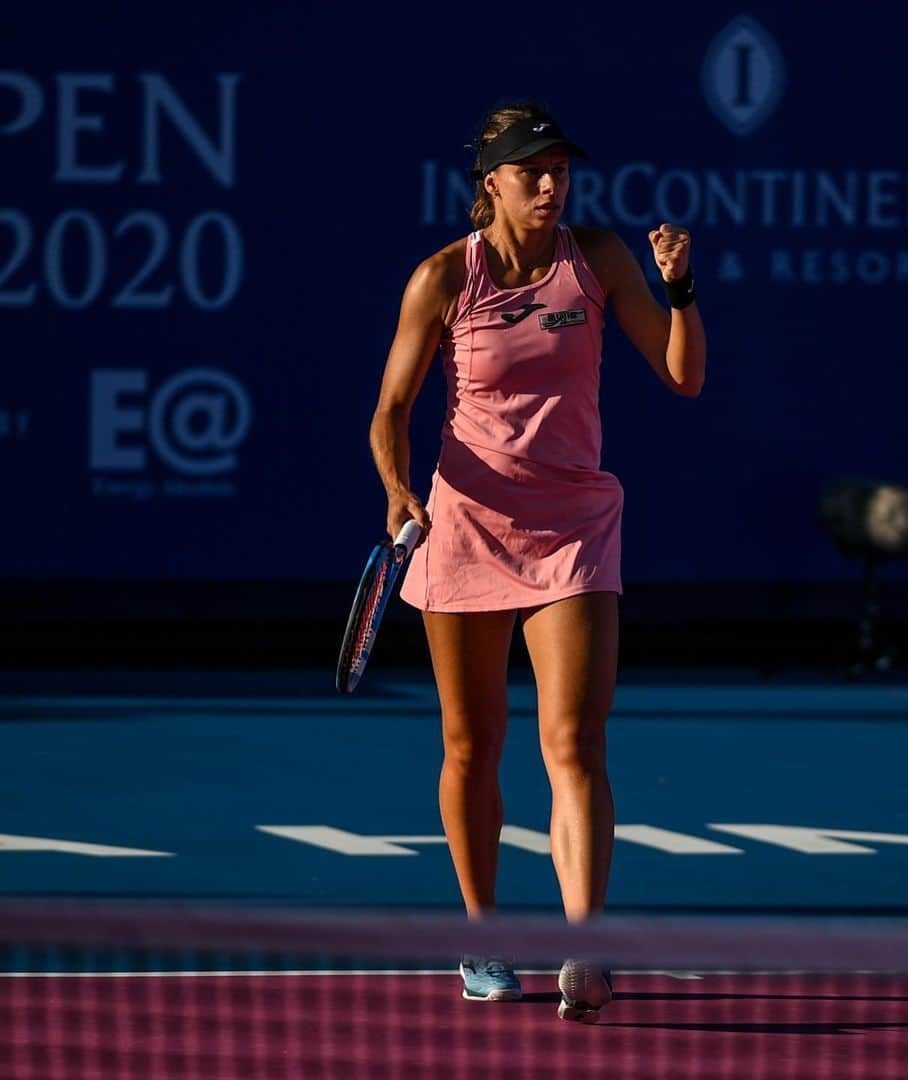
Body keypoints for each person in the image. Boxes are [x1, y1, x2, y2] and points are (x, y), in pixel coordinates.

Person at [368, 101, 706, 1022]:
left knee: (576, 743)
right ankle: (481, 935)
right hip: (466, 526)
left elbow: (683, 376)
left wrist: (680, 289)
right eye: (533, 172)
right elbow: (391, 409)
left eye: (561, 169)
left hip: (574, 532)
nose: (553, 185)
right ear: (493, 186)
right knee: (472, 745)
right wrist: (401, 493)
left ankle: (586, 944)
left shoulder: (597, 261)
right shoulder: (443, 278)